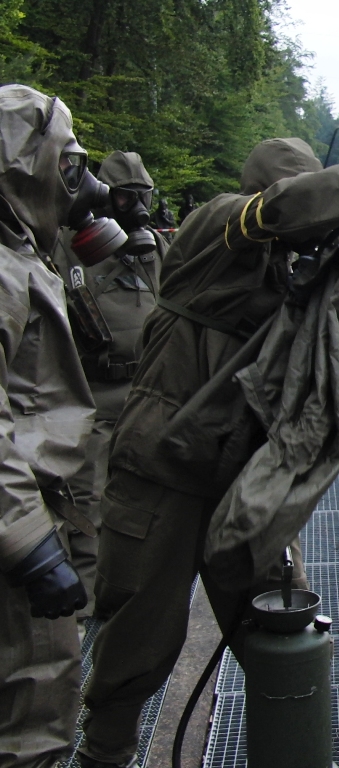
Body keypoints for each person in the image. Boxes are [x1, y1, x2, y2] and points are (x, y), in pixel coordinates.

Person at [76, 137, 339, 767]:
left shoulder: (302, 268)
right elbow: (291, 206)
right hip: (161, 473)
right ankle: (105, 754)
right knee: (138, 637)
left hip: (243, 481)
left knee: (285, 628)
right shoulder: (217, 227)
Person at [0, 85, 105, 768]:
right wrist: (31, 546)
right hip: (16, 537)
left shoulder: (20, 254)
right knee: (32, 716)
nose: (80, 184)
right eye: (67, 164)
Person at [51, 150, 168, 620]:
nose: (135, 208)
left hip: (147, 391)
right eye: (124, 198)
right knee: (88, 500)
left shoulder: (155, 250)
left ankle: (139, 588)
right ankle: (88, 604)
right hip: (93, 393)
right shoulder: (67, 246)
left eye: (143, 197)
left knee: (147, 495)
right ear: (103, 195)